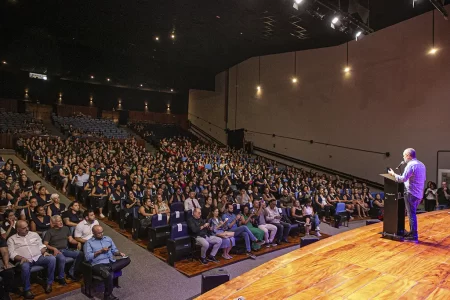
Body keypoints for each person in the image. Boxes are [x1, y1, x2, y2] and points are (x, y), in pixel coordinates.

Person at [7, 220, 56, 298]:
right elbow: (11, 253)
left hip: (38, 257)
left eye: (27, 226)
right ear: (18, 229)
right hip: (25, 260)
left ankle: (49, 283)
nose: (27, 229)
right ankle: (26, 290)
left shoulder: (34, 234)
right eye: (24, 228)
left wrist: (44, 251)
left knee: (52, 259)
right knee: (25, 266)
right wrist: (21, 258)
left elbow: (41, 245)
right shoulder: (11, 239)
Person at [388, 148, 426, 241]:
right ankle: (412, 232)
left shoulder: (410, 165)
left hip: (411, 193)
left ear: (408, 155)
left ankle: (413, 235)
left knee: (411, 214)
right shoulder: (421, 164)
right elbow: (423, 179)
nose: (403, 158)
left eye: (404, 155)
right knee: (412, 213)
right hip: (419, 194)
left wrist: (393, 174)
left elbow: (402, 179)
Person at [84, 225, 131, 300]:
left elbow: (114, 251)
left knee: (127, 259)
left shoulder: (108, 239)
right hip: (98, 264)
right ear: (93, 233)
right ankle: (107, 295)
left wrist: (119, 253)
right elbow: (87, 257)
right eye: (99, 233)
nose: (101, 234)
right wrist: (100, 251)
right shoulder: (88, 243)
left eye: (102, 232)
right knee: (107, 274)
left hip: (110, 262)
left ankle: (108, 268)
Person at [43, 215, 83, 283]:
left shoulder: (66, 228)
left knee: (80, 254)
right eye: (58, 221)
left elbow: (70, 240)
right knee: (62, 258)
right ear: (54, 223)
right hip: (56, 251)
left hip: (65, 249)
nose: (61, 222)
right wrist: (54, 248)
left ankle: (71, 272)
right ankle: (61, 277)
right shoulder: (49, 232)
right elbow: (45, 244)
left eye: (61, 220)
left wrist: (78, 242)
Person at [0, 236, 15, 300]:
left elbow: (5, 252)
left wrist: (6, 264)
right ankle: (2, 294)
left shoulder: (1, 239)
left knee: (9, 271)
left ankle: (6, 292)